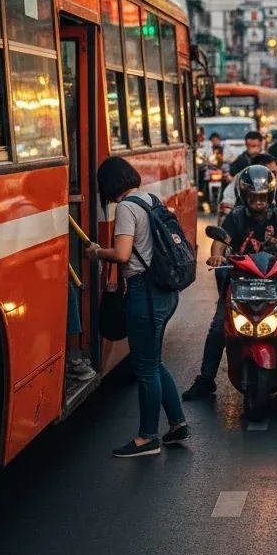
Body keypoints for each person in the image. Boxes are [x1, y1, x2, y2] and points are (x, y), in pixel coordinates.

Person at [184, 164, 277, 399]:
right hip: (241, 281)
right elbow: (221, 241)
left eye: (263, 197)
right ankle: (206, 379)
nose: (259, 201)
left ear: (271, 196)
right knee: (218, 327)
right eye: (254, 197)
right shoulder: (235, 217)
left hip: (276, 278)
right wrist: (216, 255)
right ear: (245, 196)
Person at [86, 157, 187, 457]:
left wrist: (96, 252)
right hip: (165, 292)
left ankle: (147, 437)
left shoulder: (127, 208)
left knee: (144, 369)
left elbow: (122, 253)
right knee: (154, 362)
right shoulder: (150, 199)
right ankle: (178, 422)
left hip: (145, 294)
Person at [219, 152, 277, 234]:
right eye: (268, 174)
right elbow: (225, 214)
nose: (273, 178)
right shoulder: (239, 189)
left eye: (275, 173)